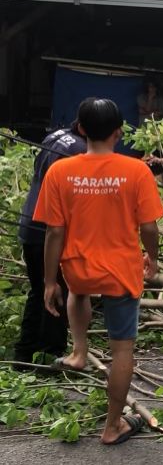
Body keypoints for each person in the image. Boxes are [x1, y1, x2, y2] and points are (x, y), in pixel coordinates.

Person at [34, 97, 163, 445]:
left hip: (77, 268)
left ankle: (78, 351)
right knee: (122, 351)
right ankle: (113, 426)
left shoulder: (59, 171)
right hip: (121, 271)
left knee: (77, 292)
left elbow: (54, 232)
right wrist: (152, 257)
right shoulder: (137, 170)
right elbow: (149, 227)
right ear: (119, 132)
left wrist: (49, 281)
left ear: (79, 130)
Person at [13, 120, 87, 364]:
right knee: (59, 291)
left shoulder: (56, 136)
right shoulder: (78, 150)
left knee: (39, 290)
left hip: (30, 223)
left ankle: (24, 353)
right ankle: (49, 355)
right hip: (49, 229)